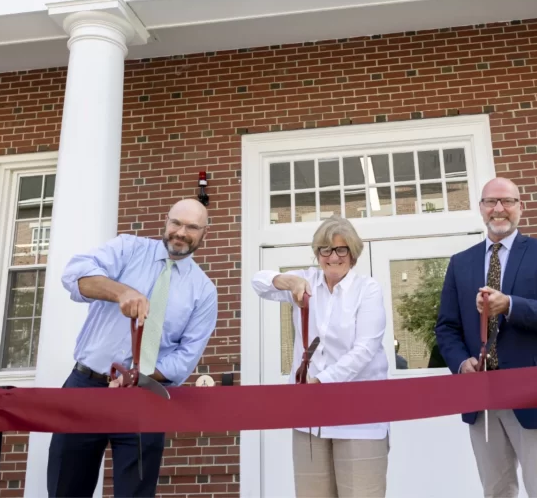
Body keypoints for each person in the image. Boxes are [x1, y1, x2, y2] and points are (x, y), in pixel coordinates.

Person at [47, 198, 218, 498]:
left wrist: (136, 376)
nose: (181, 232)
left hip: (145, 397)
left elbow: (184, 359)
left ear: (205, 232)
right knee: (66, 488)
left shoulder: (204, 291)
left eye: (192, 227)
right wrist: (121, 291)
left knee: (135, 494)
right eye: (176, 223)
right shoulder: (128, 248)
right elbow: (74, 274)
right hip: (86, 386)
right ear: (166, 221)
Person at [435, 177, 537, 498]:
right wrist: (461, 363)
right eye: (491, 202)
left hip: (533, 391)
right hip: (481, 394)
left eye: (507, 202)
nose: (498, 209)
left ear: (520, 208)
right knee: (496, 490)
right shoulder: (461, 263)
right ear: (481, 209)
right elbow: (446, 327)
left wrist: (510, 305)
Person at [252, 215, 390, 498]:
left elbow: (365, 349)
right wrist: (286, 280)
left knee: (361, 492)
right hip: (310, 417)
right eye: (325, 249)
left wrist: (322, 381)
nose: (333, 256)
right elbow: (258, 283)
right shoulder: (307, 281)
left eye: (341, 249)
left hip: (358, 415)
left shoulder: (367, 289)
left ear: (353, 253)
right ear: (317, 254)